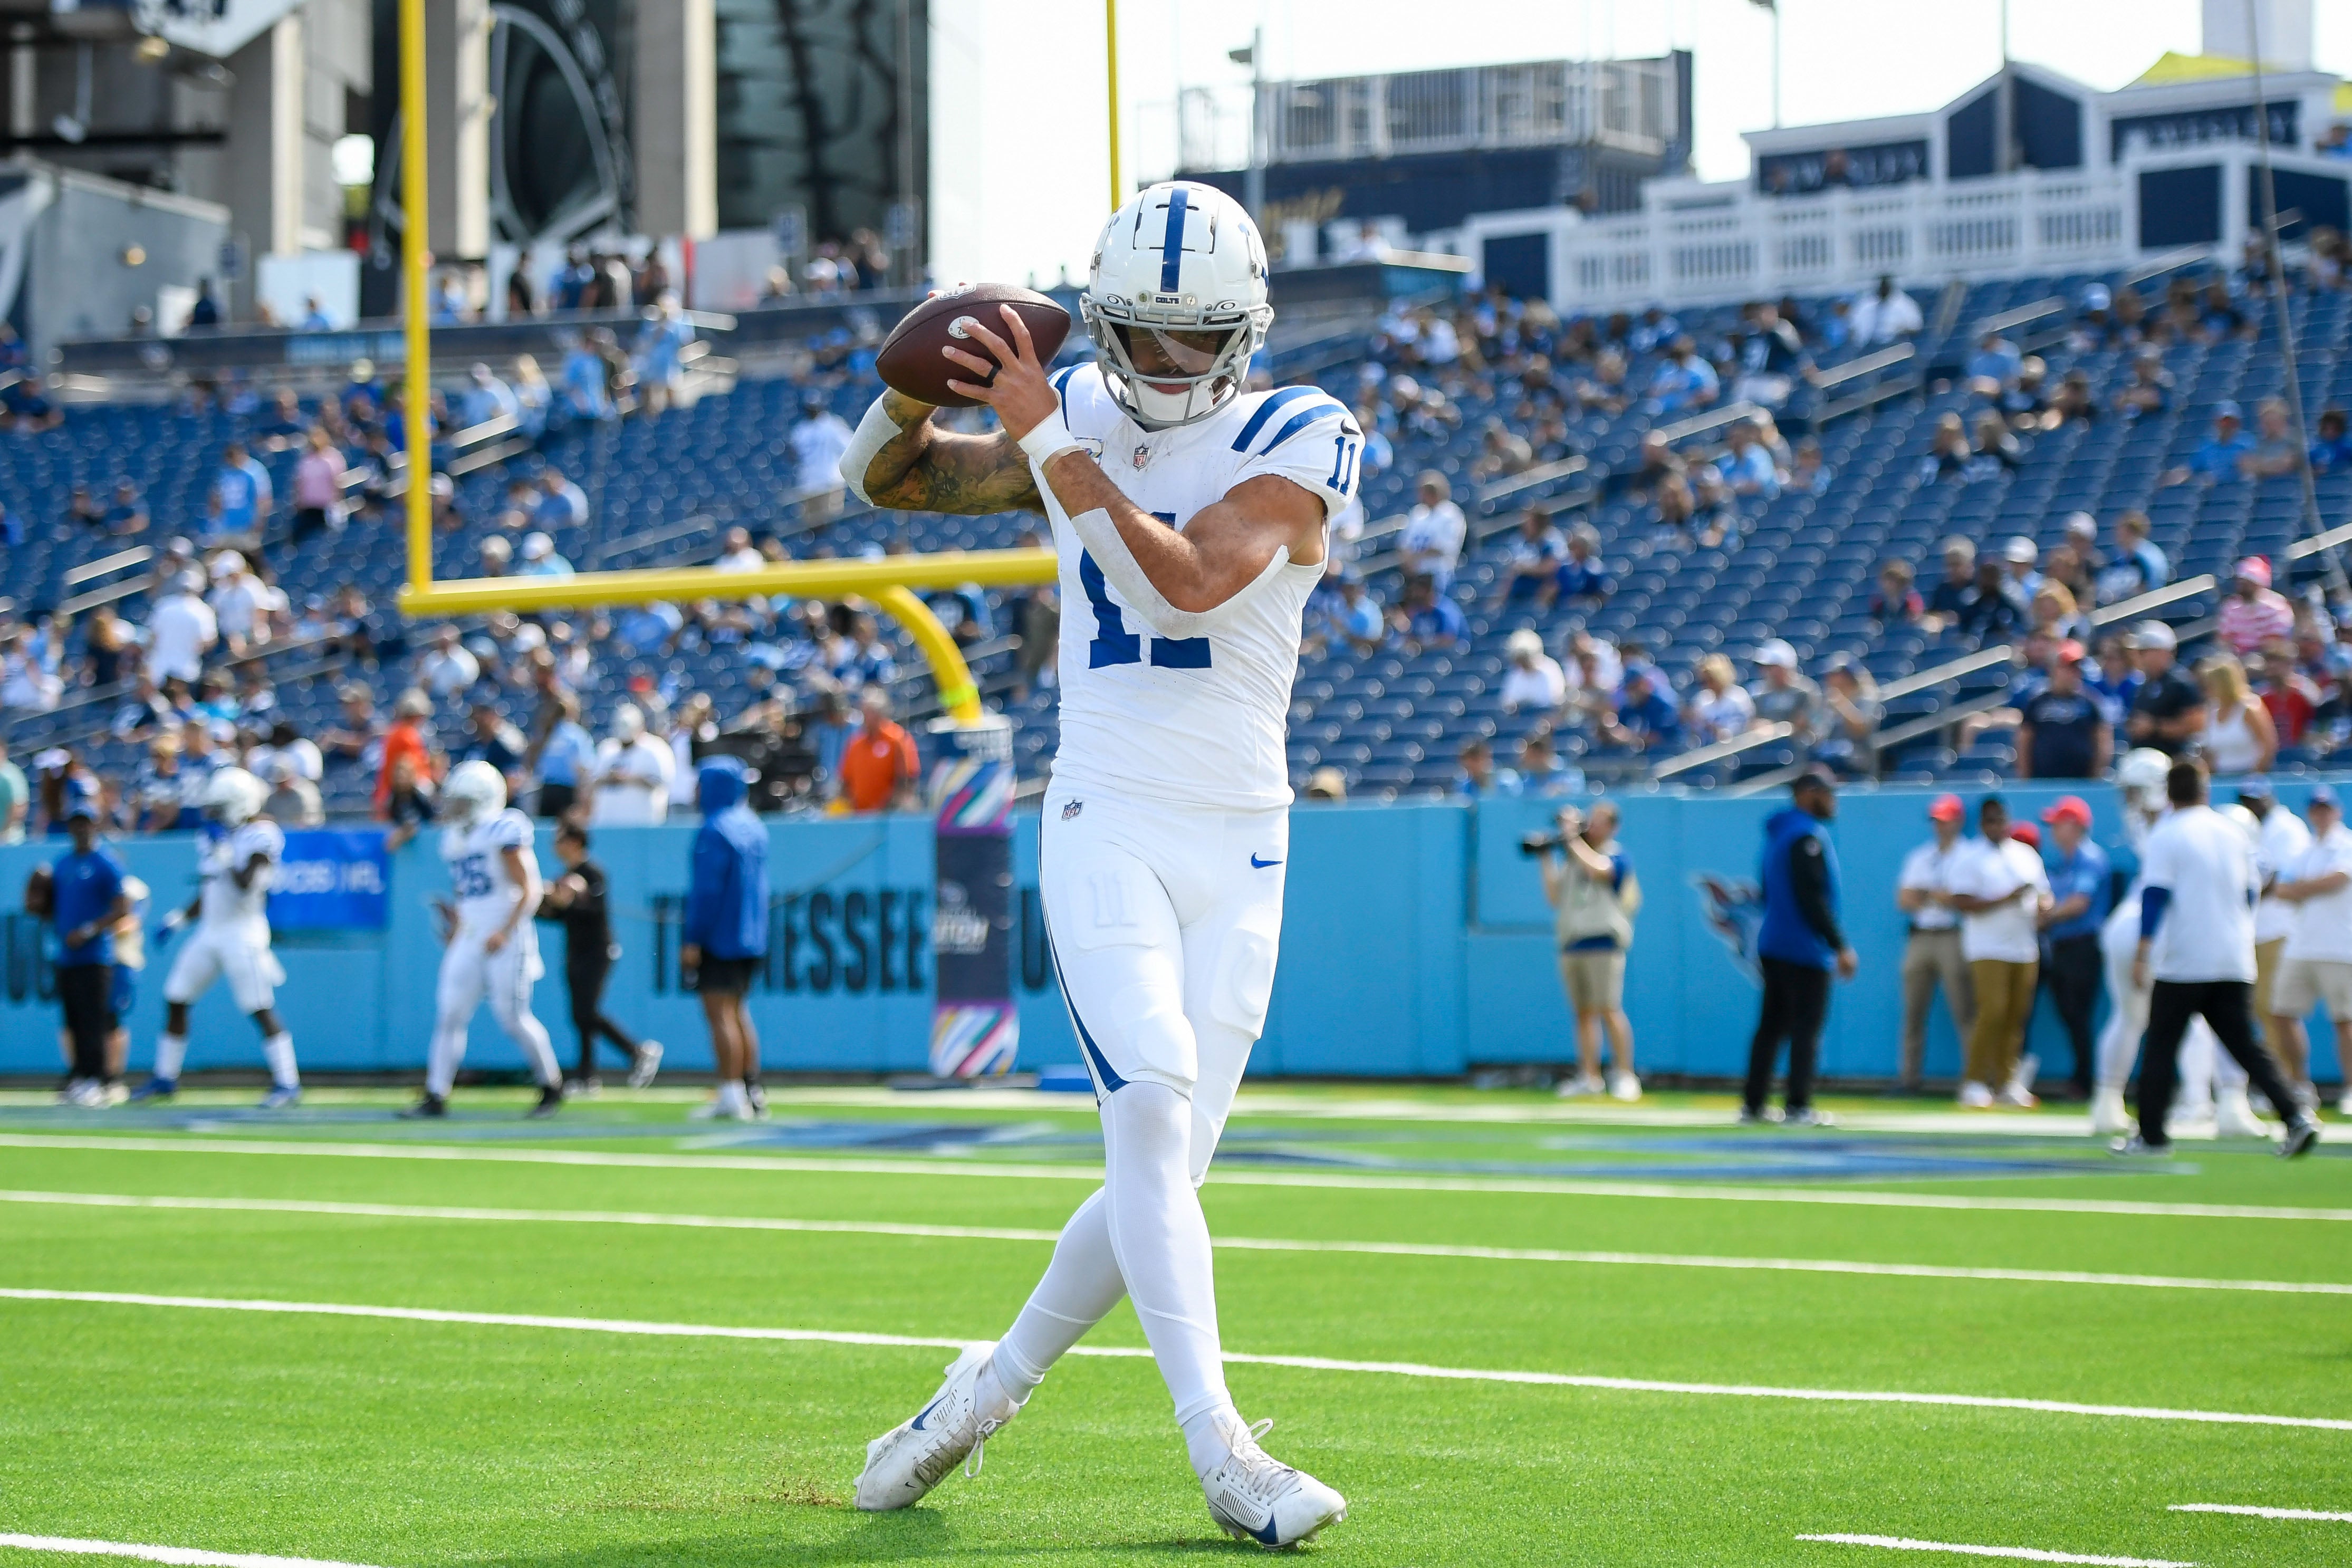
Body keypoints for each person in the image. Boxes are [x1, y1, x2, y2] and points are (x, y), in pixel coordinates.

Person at [839, 179, 1350, 1543]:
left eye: (1198, 339)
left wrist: (1052, 431)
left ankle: (978, 1392)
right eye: (1145, 336)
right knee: (1147, 1110)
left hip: (1241, 834)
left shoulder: (1301, 429)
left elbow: (1186, 577)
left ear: (1247, 331)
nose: (1170, 366)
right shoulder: (1083, 413)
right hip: (1106, 814)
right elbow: (884, 479)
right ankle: (1225, 1450)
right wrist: (912, 391)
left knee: (1165, 1168)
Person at [2115, 760, 2320, 1158]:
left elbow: (2154, 896)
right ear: (2205, 790)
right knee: (2244, 1044)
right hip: (2233, 957)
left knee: (2160, 1045)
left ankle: (2151, 1135)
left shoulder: (2166, 833)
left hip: (2185, 959)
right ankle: (2295, 1116)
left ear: (2169, 793)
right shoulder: (2232, 831)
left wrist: (2142, 952)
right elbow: (2250, 892)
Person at [133, 769, 300, 1107]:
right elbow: (210, 890)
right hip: (211, 931)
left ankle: (287, 1082)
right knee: (177, 998)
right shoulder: (218, 838)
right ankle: (166, 1077)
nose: (215, 813)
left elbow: (246, 886)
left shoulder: (262, 834)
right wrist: (177, 920)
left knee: (259, 1007)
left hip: (244, 932)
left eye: (221, 807)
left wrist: (225, 855)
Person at [406, 761, 564, 1119]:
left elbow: (530, 889)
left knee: (512, 1017)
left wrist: (505, 930)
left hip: (506, 933)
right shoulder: (456, 838)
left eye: (463, 801)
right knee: (449, 1013)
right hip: (472, 933)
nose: (456, 808)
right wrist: (458, 924)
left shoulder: (502, 828)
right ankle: (435, 1093)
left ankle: (551, 1084)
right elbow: (466, 893)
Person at [1743, 766, 1856, 1126]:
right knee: (1806, 1027)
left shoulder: (1777, 834)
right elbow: (1811, 897)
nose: (1832, 801)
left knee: (1771, 1026)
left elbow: (1765, 890)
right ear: (1808, 793)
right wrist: (1838, 944)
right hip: (1801, 946)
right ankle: (1798, 1104)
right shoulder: (1805, 835)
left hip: (1773, 940)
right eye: (1827, 792)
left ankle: (1754, 1103)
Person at [537, 822, 660, 1096]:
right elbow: (561, 916)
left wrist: (566, 900)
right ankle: (586, 1076)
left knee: (587, 1011)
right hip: (576, 951)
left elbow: (592, 911)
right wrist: (541, 905)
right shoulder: (566, 875)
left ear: (575, 842)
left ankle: (638, 1052)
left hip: (597, 950)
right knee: (580, 1016)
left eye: (560, 840)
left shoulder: (592, 873)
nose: (555, 846)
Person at [1947, 795, 2053, 1109]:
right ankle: (1975, 1081)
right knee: (1991, 1012)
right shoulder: (1969, 855)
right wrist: (2006, 898)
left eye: (2002, 820)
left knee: (2016, 1017)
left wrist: (2045, 909)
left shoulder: (2025, 855)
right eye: (1991, 821)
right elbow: (1962, 902)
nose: (1997, 826)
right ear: (1982, 824)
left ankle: (2008, 1083)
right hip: (1987, 947)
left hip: (2024, 946)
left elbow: (2044, 894)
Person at [682, 758, 771, 1121]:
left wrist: (693, 937)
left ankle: (732, 1093)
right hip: (751, 935)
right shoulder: (754, 826)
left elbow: (706, 891)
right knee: (738, 1011)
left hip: (721, 935)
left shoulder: (714, 830)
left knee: (719, 1013)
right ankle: (752, 1090)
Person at [1540, 800, 1641, 1102]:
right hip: (1573, 942)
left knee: (1609, 1009)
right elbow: (1554, 897)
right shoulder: (1573, 858)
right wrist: (1546, 857)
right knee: (1582, 1014)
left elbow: (1600, 870)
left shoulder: (1616, 855)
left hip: (1604, 942)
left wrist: (1570, 837)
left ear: (1613, 827)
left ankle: (1625, 1075)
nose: (1591, 826)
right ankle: (1590, 1076)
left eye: (1599, 822)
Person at [2265, 786, 2352, 1118]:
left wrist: (2303, 888)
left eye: (2327, 808)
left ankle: (2350, 1087)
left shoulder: (2346, 844)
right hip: (2301, 945)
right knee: (2282, 1013)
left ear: (2337, 811)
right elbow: (2283, 890)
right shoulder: (2305, 850)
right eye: (2316, 808)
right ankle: (2301, 1085)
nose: (2321, 813)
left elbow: (2337, 881)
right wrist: (2309, 887)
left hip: (2340, 947)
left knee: (2345, 1021)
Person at [47, 798, 132, 1107]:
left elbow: (123, 907)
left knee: (95, 1019)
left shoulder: (106, 862)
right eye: (76, 823)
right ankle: (80, 1076)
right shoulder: (62, 863)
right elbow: (53, 907)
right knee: (72, 1020)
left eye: (86, 823)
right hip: (67, 956)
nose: (81, 829)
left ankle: (98, 1079)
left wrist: (88, 931)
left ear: (95, 826)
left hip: (96, 956)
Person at [1894, 794, 1975, 1093]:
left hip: (1954, 936)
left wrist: (1931, 896)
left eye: (1946, 820)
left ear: (1959, 821)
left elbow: (1960, 900)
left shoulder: (1970, 855)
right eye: (1937, 821)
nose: (1940, 827)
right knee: (1913, 1012)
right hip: (1921, 936)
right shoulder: (1920, 856)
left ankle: (1974, 1080)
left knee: (1963, 1009)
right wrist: (1938, 896)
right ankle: (1909, 1079)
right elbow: (1904, 899)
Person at [2035, 796, 2110, 1102]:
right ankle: (2082, 1078)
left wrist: (2046, 918)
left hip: (2083, 946)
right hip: (2062, 946)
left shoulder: (2090, 859)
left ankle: (2085, 1081)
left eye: (2059, 823)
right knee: (2068, 1013)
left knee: (2078, 1015)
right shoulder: (2064, 863)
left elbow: (2080, 904)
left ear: (2077, 826)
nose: (2053, 829)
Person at [2015, 641, 2112, 780]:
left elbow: (2102, 740)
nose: (2073, 673)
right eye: (2067, 667)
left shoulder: (2090, 702)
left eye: (2076, 668)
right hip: (2043, 782)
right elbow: (2024, 740)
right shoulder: (2037, 702)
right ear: (2053, 669)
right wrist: (2025, 778)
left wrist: (2096, 775)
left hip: (2081, 782)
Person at [2124, 621, 2205, 758]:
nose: (2137, 657)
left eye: (2144, 652)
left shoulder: (2181, 683)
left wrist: (2154, 727)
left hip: (2173, 759)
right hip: (2145, 759)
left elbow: (2197, 725)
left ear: (2164, 652)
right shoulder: (2143, 684)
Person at [838, 688, 922, 813]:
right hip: (860, 815)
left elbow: (907, 780)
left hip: (890, 815)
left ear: (881, 713)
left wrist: (887, 808)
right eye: (864, 713)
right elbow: (846, 781)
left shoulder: (897, 738)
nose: (865, 718)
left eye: (869, 713)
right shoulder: (855, 743)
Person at [588, 704, 673, 825]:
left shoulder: (655, 749)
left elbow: (661, 782)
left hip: (643, 822)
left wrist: (630, 778)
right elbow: (594, 781)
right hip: (608, 822)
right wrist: (611, 778)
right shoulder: (607, 748)